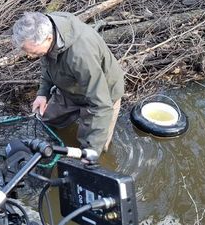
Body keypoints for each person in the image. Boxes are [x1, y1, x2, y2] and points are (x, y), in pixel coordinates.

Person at [11, 12, 125, 154]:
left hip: (103, 95)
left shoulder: (81, 55)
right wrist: (42, 94)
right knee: (48, 119)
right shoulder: (46, 26)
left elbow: (101, 104)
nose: (29, 56)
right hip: (70, 86)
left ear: (48, 39)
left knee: (93, 145)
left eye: (32, 52)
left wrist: (92, 151)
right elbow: (48, 65)